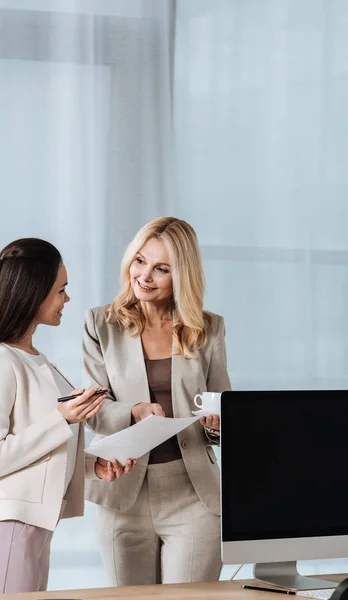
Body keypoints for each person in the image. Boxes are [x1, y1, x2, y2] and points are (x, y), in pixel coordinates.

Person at [0, 238, 135, 596]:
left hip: (30, 526)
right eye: (61, 290)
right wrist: (62, 418)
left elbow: (36, 447)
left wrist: (91, 465)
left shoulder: (33, 358)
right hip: (6, 529)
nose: (67, 299)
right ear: (33, 293)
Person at [82, 216, 231, 586]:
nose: (144, 275)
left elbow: (226, 405)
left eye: (161, 268)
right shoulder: (101, 324)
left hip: (193, 493)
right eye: (140, 261)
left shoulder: (207, 328)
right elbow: (92, 410)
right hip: (123, 492)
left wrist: (219, 425)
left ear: (182, 275)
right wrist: (132, 412)